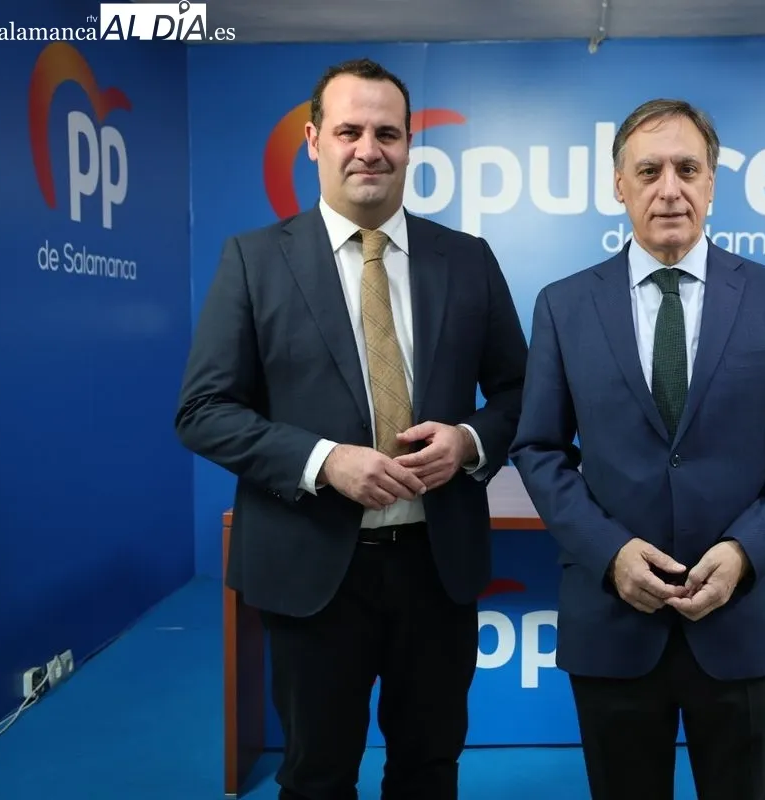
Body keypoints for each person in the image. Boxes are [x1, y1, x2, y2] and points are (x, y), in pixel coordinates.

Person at [175, 58, 529, 800]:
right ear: (313, 141)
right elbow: (203, 411)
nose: (369, 149)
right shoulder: (252, 261)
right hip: (310, 570)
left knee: (429, 767)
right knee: (316, 775)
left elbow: (520, 392)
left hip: (437, 569)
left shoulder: (467, 260)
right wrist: (323, 460)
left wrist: (469, 442)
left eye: (387, 133)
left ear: (409, 144)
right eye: (349, 131)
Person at [508, 98, 765, 800]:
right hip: (613, 622)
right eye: (649, 171)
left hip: (740, 620)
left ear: (712, 182)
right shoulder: (563, 306)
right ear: (618, 185)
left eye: (688, 170)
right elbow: (539, 450)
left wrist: (746, 551)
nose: (670, 189)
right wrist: (610, 554)